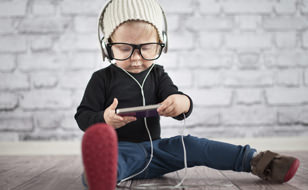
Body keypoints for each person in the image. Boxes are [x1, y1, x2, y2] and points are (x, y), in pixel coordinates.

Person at [74, 0, 300, 189]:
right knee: (119, 159)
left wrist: (181, 103)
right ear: (107, 46)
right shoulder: (102, 79)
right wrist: (104, 119)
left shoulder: (158, 74)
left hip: (157, 151)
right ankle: (101, 176)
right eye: (124, 48)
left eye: (146, 48)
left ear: (161, 44)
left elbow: (178, 100)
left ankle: (261, 162)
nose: (136, 58)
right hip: (122, 151)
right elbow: (83, 116)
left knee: (191, 144)